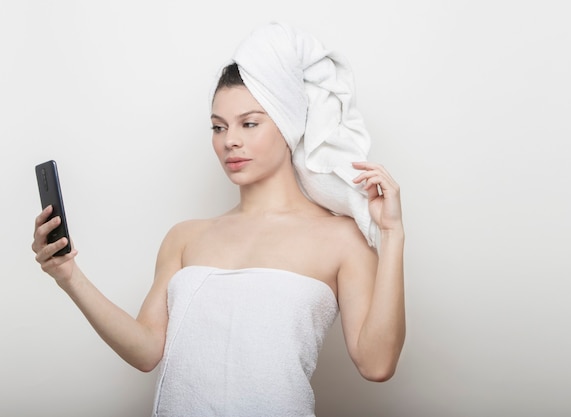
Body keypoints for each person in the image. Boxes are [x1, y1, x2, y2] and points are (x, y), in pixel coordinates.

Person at [32, 22, 405, 417]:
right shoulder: (185, 238)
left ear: (289, 124)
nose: (230, 140)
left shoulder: (341, 239)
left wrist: (392, 234)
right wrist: (68, 276)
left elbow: (376, 364)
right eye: (218, 127)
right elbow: (145, 351)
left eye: (249, 123)